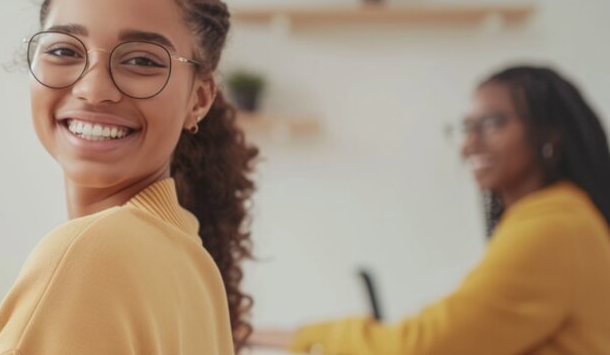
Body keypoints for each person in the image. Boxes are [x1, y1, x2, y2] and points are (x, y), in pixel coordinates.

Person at [255, 65, 610, 354]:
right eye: (466, 127)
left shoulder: (553, 227)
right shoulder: (561, 216)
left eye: (491, 123)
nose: (470, 143)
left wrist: (290, 337)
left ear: (550, 135)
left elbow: (425, 347)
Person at [0, 0, 258, 353]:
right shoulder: (196, 264)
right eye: (64, 51)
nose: (93, 90)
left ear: (199, 99)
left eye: (141, 60)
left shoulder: (84, 256)